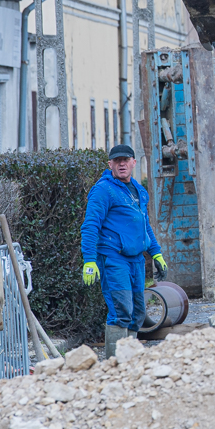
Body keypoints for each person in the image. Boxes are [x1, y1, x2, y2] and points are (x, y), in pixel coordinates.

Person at [80, 144, 166, 356]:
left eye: (126, 160)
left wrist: (155, 252)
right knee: (121, 311)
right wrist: (90, 259)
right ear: (110, 164)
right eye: (117, 161)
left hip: (135, 259)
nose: (122, 164)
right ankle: (114, 364)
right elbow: (90, 225)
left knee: (138, 313)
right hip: (113, 259)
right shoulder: (103, 190)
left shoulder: (138, 190)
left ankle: (130, 360)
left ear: (134, 163)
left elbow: (144, 225)